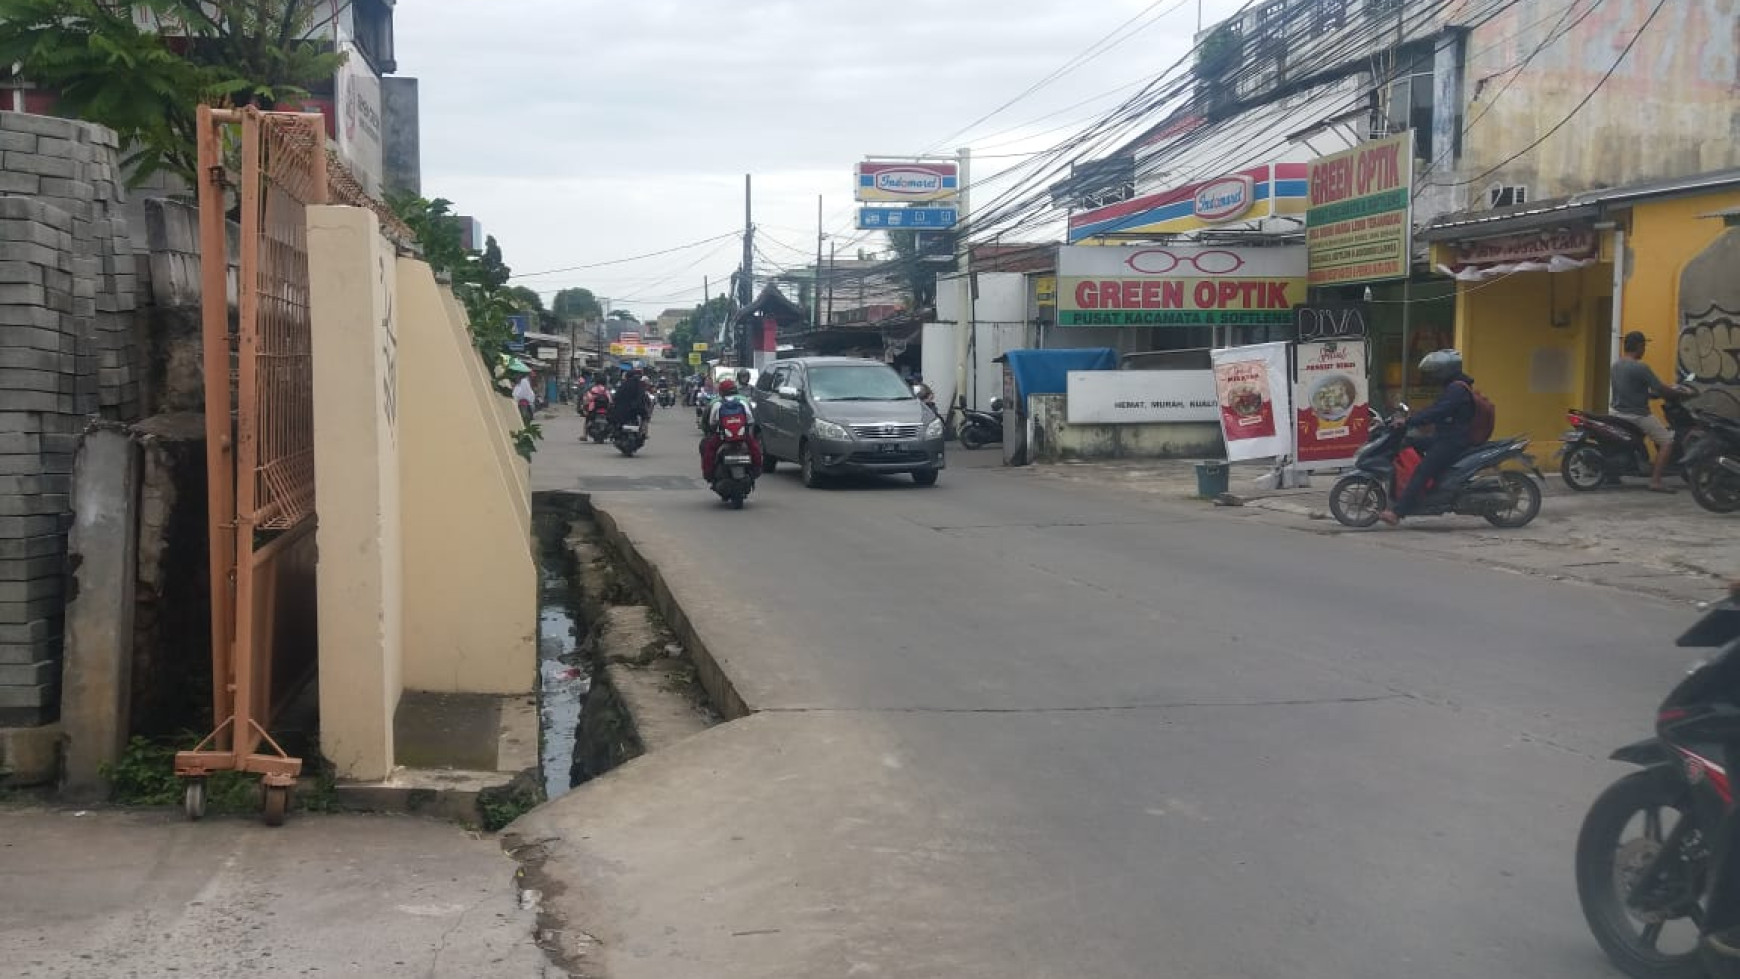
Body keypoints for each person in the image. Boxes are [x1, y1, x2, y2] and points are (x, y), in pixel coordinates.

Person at [1379, 350, 1479, 526]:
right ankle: (1420, 492)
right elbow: (1436, 409)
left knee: (1422, 470)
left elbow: (1438, 412)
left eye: (1435, 372)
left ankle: (1398, 512)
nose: (1432, 377)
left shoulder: (1456, 389)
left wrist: (1410, 421)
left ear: (1445, 370)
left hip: (1452, 441)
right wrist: (1411, 419)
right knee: (1409, 443)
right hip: (1444, 436)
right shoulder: (1455, 387)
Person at [1611, 330, 1680, 493]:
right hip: (1638, 415)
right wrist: (1677, 393)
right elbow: (1660, 388)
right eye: (1644, 346)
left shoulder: (1616, 365)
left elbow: (1629, 389)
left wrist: (1649, 395)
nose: (1644, 350)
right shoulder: (1641, 367)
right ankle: (1656, 481)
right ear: (1639, 346)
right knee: (1667, 441)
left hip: (1618, 412)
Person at [699, 377, 763, 481]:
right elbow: (751, 420)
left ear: (721, 391)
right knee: (755, 448)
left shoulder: (717, 403)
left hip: (722, 437)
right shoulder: (743, 402)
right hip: (742, 436)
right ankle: (757, 469)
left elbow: (711, 423)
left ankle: (709, 474)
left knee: (709, 450)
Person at [609, 368, 653, 436]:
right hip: (636, 409)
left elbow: (616, 397)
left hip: (626, 409)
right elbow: (645, 399)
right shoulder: (640, 385)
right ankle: (644, 432)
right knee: (645, 417)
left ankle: (615, 431)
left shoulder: (624, 385)